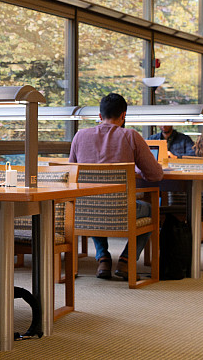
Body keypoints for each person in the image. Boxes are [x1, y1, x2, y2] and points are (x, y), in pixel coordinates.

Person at [69, 92, 163, 281]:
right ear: (123, 115)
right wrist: (137, 170)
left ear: (100, 116)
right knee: (152, 210)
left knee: (95, 203)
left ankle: (103, 258)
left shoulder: (80, 136)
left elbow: (71, 173)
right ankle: (126, 260)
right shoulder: (131, 136)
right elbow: (156, 175)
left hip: (85, 209)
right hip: (121, 209)